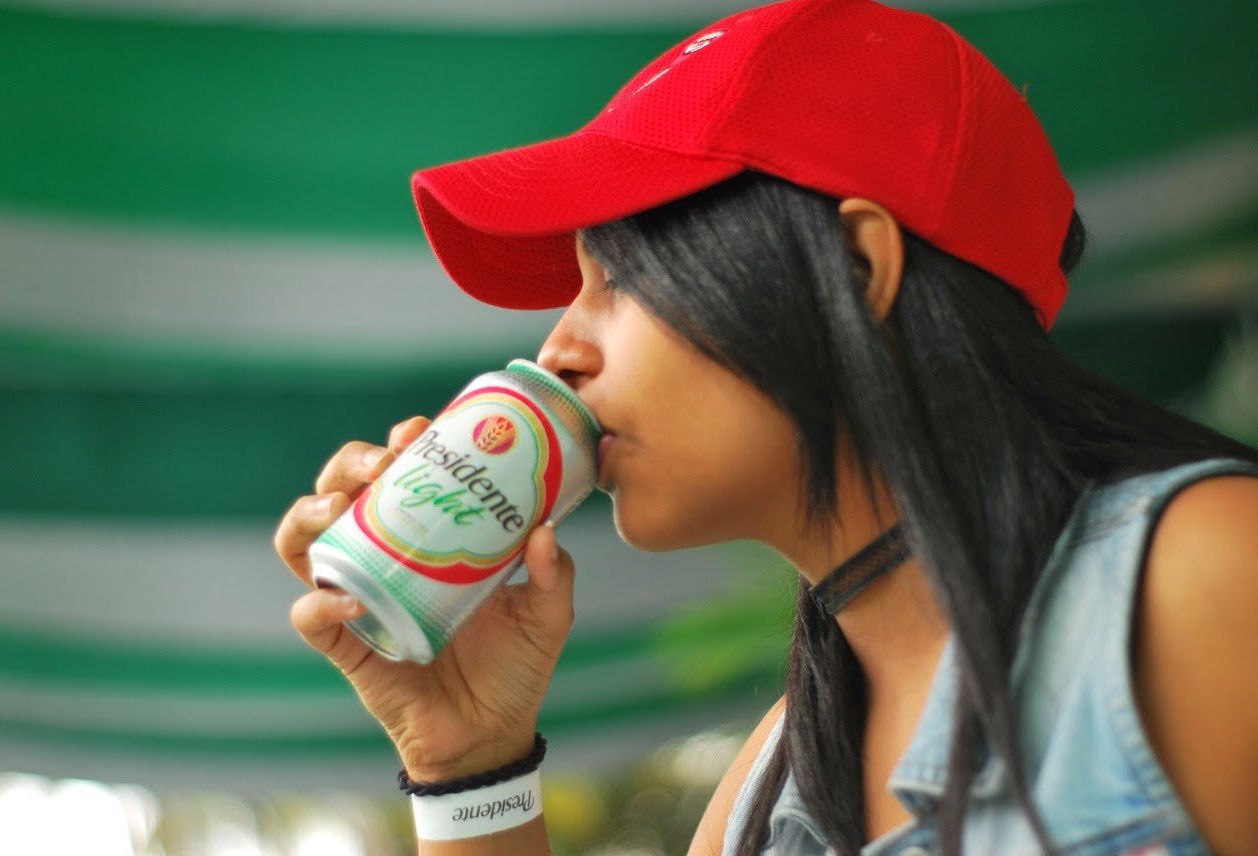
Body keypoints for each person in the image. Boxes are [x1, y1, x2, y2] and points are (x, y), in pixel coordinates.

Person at [272, 0, 1258, 853]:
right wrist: (468, 766)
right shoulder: (773, 779)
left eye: (620, 278)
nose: (557, 349)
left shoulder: (1200, 578)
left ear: (859, 269)